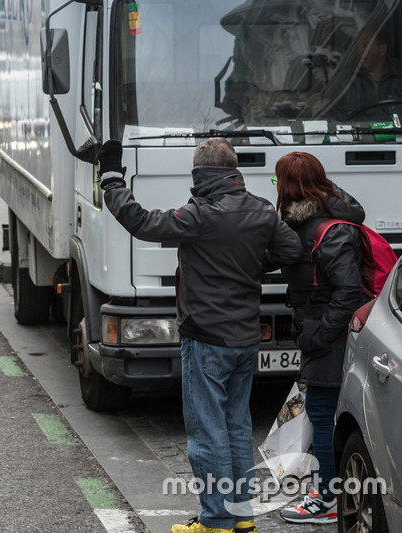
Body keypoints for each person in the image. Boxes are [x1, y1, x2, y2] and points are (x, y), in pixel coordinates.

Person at [96, 138, 303, 533]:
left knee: (207, 434)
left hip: (206, 337)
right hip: (245, 338)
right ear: (233, 169)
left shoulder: (201, 214)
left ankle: (215, 522)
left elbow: (141, 221)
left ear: (200, 174)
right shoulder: (261, 210)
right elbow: (291, 250)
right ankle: (242, 517)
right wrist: (251, 265)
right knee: (238, 429)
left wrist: (111, 180)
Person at [273, 152, 370, 524]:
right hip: (321, 332)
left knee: (322, 414)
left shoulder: (331, 230)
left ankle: (328, 500)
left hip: (330, 337)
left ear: (291, 185)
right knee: (320, 413)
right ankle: (325, 490)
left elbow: (349, 292)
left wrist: (319, 334)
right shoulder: (310, 221)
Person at [332, 29, 402, 121]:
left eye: (365, 46)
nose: (359, 52)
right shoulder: (344, 78)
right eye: (357, 47)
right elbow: (331, 117)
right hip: (359, 134)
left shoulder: (399, 75)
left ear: (382, 49)